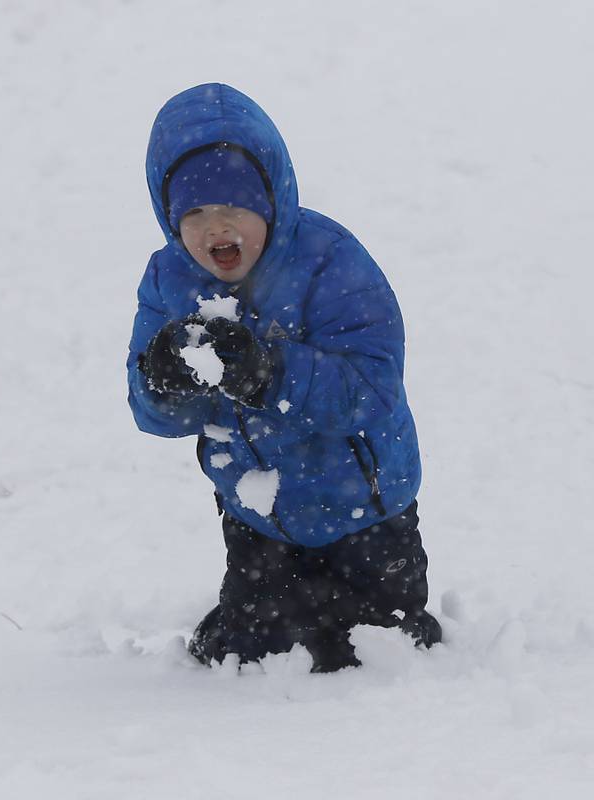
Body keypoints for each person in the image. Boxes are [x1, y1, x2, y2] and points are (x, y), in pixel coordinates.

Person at [127, 83, 441, 673]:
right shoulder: (169, 281)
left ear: (271, 200)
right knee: (253, 654)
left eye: (233, 206)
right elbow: (149, 413)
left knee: (386, 649)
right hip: (259, 512)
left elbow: (373, 389)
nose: (215, 227)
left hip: (365, 505)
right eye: (192, 212)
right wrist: (165, 380)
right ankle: (255, 620)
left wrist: (269, 374)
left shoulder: (330, 261)